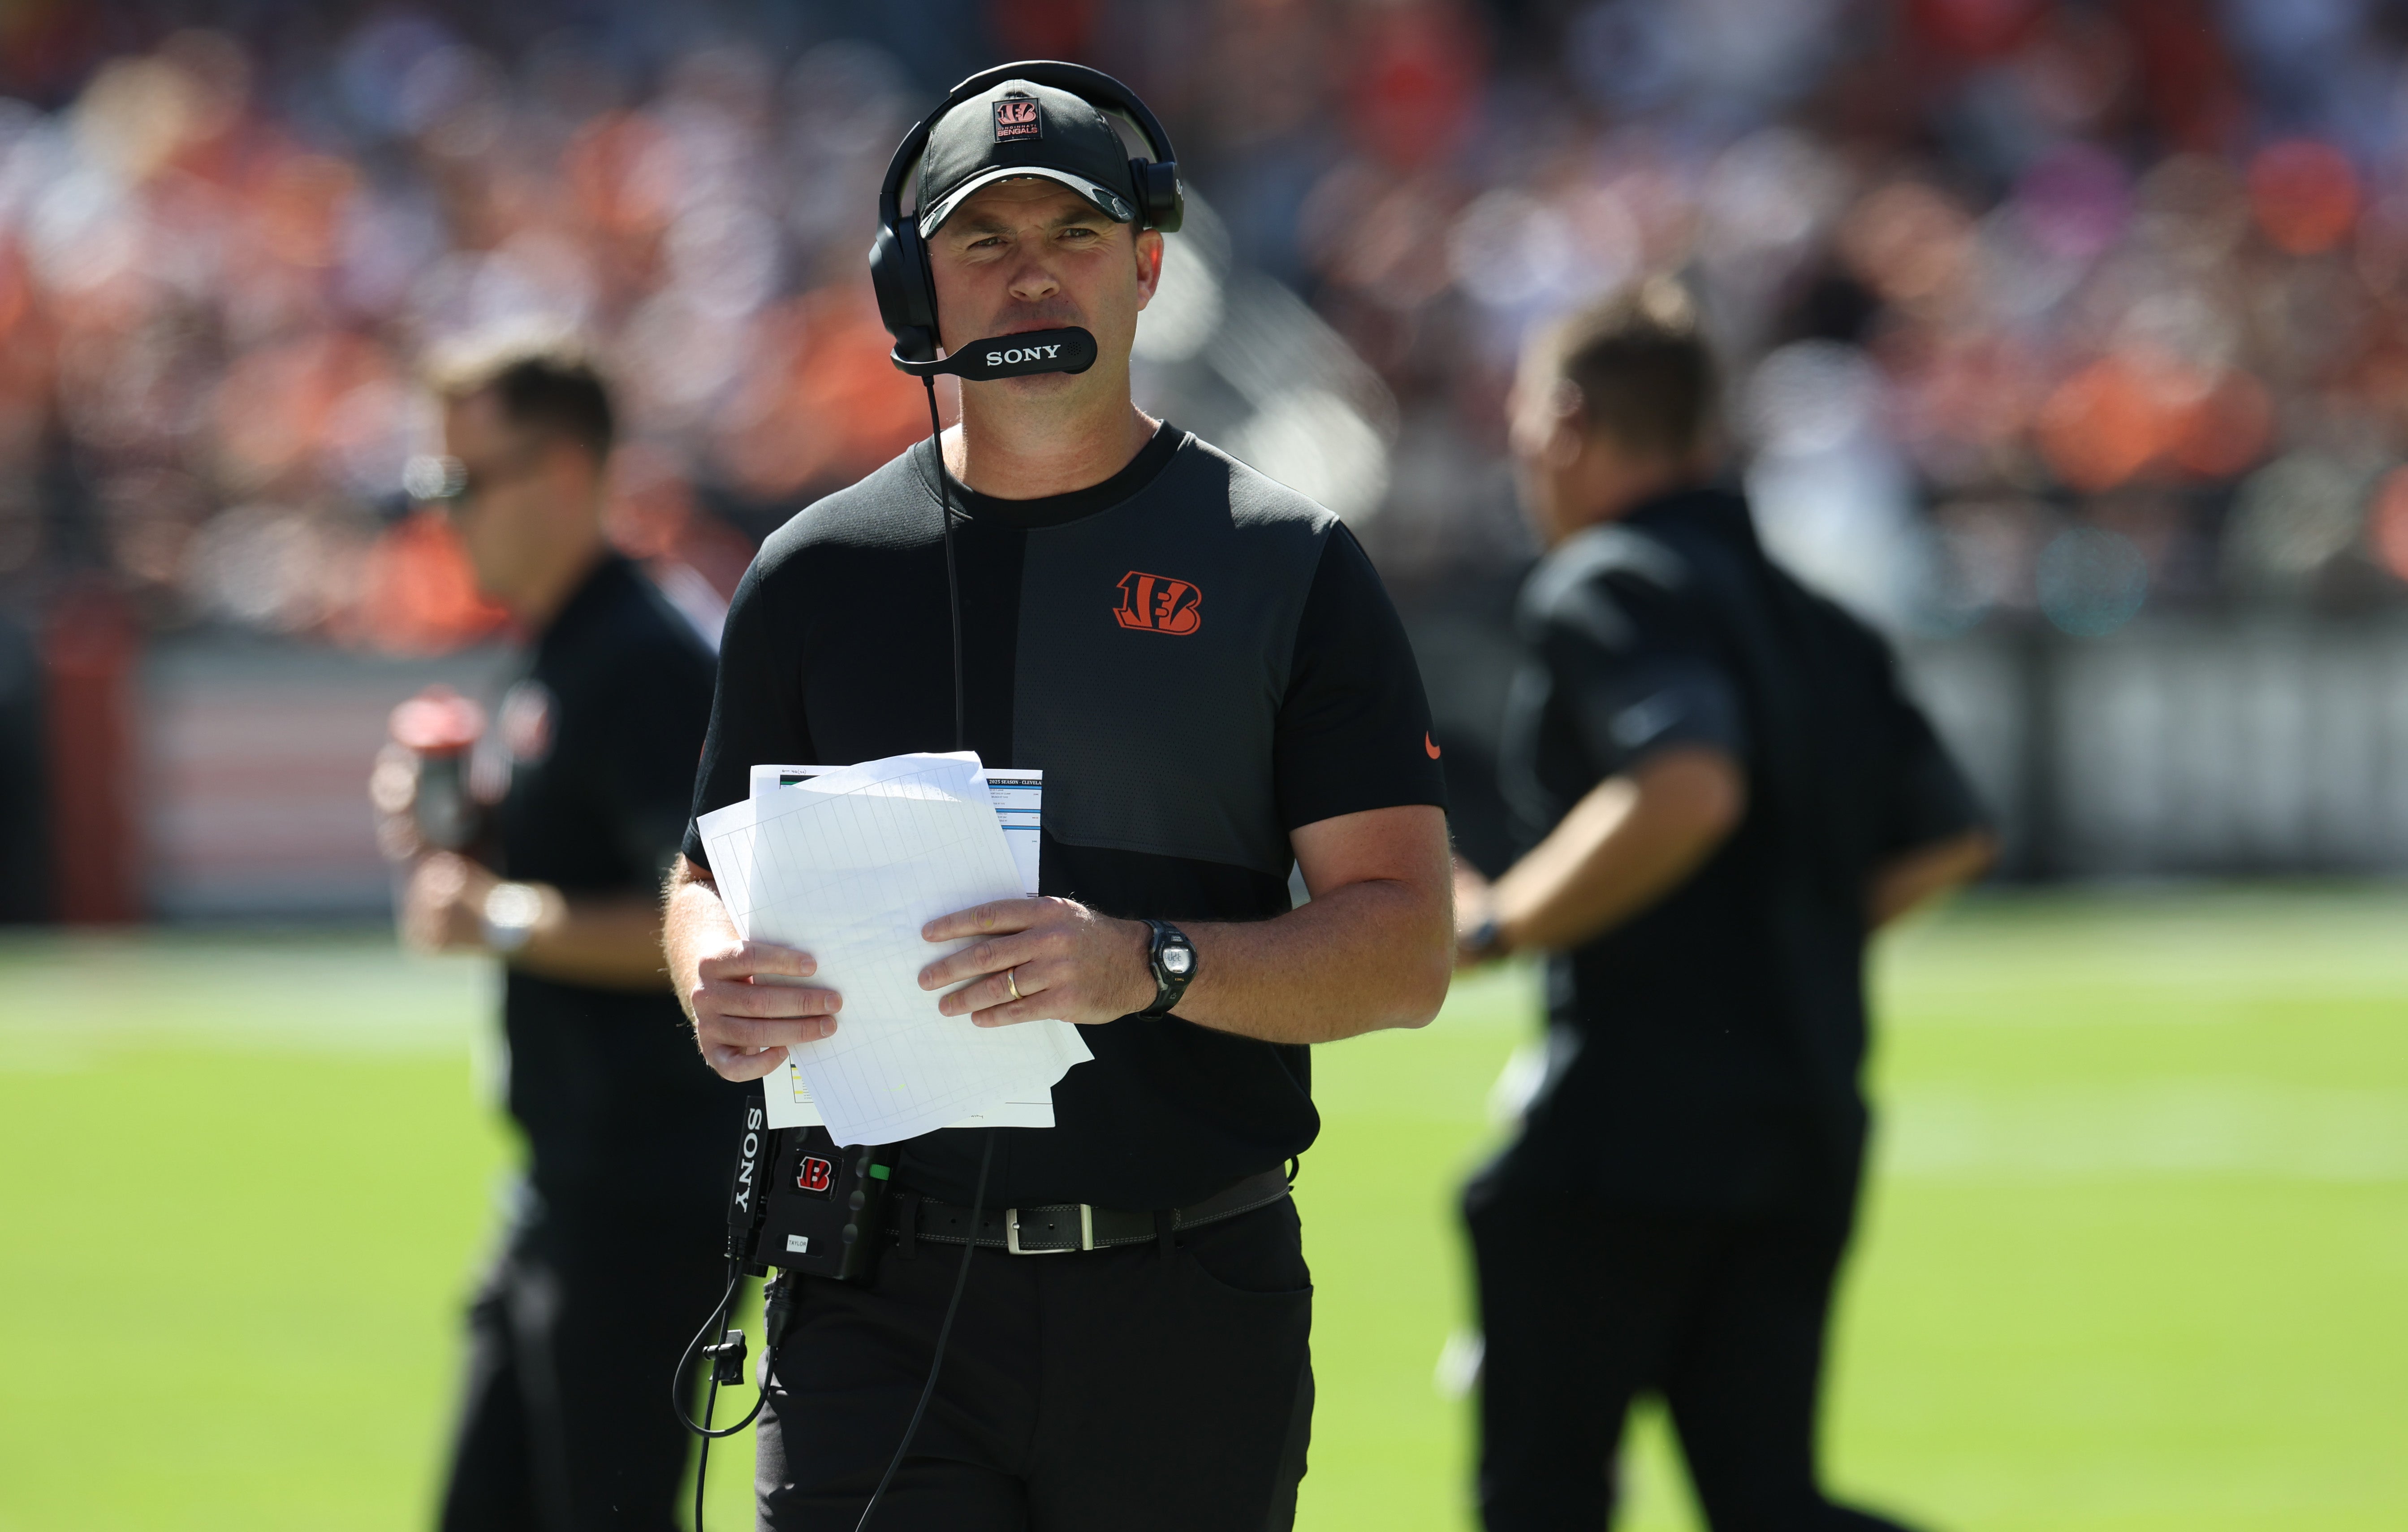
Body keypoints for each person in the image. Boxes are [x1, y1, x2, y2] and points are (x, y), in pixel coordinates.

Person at [660, 68, 1454, 1532]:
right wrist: (708, 964)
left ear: (1148, 266)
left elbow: (1406, 951)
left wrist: (1144, 962)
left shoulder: (1291, 564)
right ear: (918, 291)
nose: (1031, 271)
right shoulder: (814, 573)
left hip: (1184, 1295)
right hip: (870, 1305)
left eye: (1072, 235)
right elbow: (702, 868)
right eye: (983, 241)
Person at [1451, 280, 1996, 1532]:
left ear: (1570, 419)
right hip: (1807, 1111)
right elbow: (1954, 833)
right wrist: (1784, 937)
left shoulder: (1611, 581)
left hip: (1631, 1131)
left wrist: (1500, 923)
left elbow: (1687, 786)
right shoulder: (1820, 618)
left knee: (1543, 1497)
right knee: (1770, 1501)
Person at [388, 340, 745, 1530]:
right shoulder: (568, 636)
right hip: (574, 1177)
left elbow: (712, 923)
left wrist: (490, 912)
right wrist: (476, 840)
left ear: (564, 471)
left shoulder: (642, 656)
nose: (443, 513)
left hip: (649, 1190)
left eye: (461, 481)